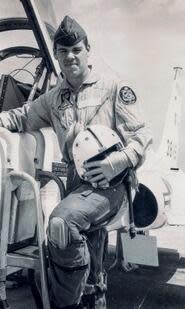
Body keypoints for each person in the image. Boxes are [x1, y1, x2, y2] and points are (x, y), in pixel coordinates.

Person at [0, 16, 152, 309]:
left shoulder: (113, 87)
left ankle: (66, 304)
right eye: (63, 51)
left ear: (87, 50)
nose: (70, 56)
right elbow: (21, 116)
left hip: (113, 185)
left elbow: (142, 137)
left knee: (61, 223)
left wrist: (116, 163)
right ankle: (93, 296)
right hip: (76, 187)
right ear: (56, 55)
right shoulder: (53, 99)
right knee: (92, 262)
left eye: (76, 50)